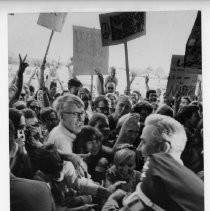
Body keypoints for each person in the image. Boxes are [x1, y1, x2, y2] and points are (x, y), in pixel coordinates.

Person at [102, 114, 204, 211]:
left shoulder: (155, 184)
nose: (140, 148)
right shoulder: (186, 179)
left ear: (163, 148)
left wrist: (112, 199)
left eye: (144, 142)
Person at [9, 119, 56, 211]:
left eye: (33, 125)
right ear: (13, 148)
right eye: (22, 128)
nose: (26, 131)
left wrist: (40, 141)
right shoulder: (39, 191)